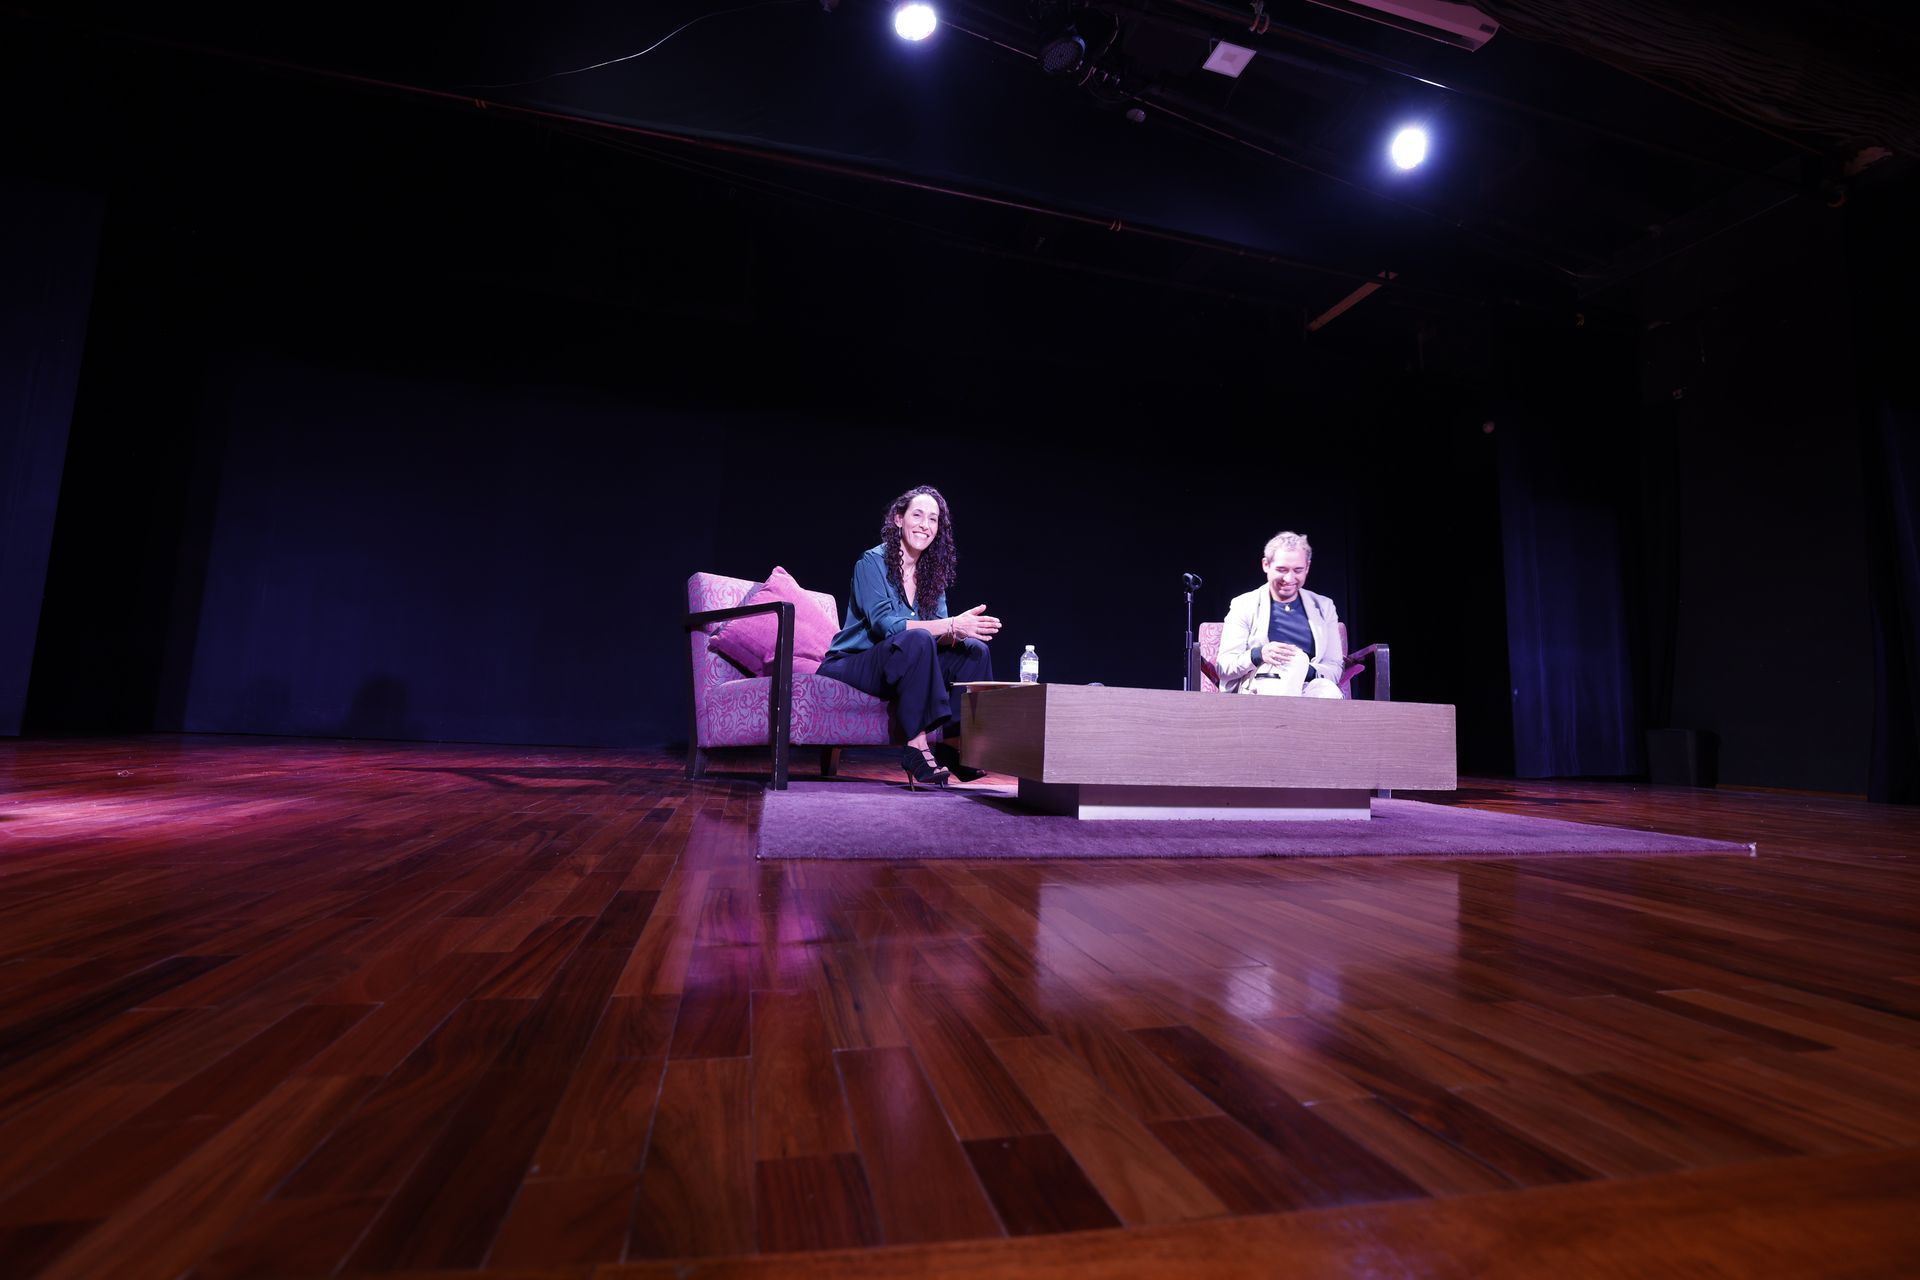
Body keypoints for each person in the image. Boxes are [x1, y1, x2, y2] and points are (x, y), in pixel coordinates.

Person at [817, 486, 1001, 787]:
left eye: (933, 519)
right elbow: (885, 627)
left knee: (974, 651)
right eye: (917, 515)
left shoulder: (931, 575)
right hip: (855, 661)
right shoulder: (871, 562)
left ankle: (953, 744)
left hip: (905, 659)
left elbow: (937, 633)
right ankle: (916, 748)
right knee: (918, 639)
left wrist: (958, 631)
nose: (925, 525)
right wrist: (951, 624)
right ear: (898, 519)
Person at [1216, 530, 1346, 698]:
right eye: (1282, 569)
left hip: (1308, 685)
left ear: (1307, 567)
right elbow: (1224, 666)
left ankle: (1288, 713)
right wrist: (1259, 654)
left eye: (1298, 570)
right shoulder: (1244, 604)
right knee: (1292, 663)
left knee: (1328, 691)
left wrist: (1302, 669)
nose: (1289, 578)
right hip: (1260, 686)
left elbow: (1334, 666)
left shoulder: (1324, 606)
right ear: (1266, 565)